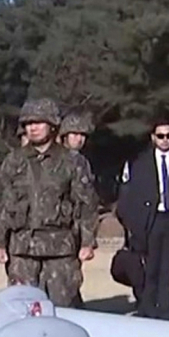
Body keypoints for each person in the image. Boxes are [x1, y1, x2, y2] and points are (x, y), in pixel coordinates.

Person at [0, 98, 99, 309]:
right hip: (22, 250)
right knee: (22, 308)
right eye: (28, 124)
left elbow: (86, 203)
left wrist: (87, 242)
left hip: (60, 250)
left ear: (52, 125)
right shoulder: (14, 161)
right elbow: (0, 204)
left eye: (38, 123)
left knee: (64, 307)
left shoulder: (72, 162)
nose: (33, 128)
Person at [115, 115, 169, 319]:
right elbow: (130, 197)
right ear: (153, 137)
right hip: (150, 222)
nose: (165, 139)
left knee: (167, 269)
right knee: (150, 268)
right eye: (161, 135)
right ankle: (147, 308)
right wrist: (132, 226)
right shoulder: (140, 163)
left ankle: (164, 310)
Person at [59, 110, 96, 307]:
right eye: (74, 134)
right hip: (59, 227)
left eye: (82, 135)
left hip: (76, 228)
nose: (79, 139)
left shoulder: (82, 161)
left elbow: (88, 201)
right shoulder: (59, 159)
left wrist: (88, 237)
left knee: (72, 275)